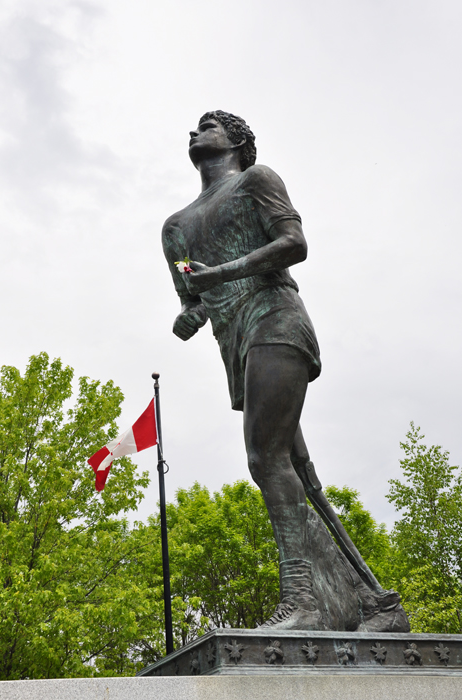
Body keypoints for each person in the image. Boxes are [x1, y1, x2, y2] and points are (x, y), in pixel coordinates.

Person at [162, 111, 382, 630]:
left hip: (276, 318)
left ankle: (301, 601)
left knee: (266, 458)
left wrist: (224, 272)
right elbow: (195, 298)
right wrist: (188, 315)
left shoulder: (257, 181)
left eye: (208, 125)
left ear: (236, 140)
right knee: (298, 472)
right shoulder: (175, 228)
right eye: (194, 128)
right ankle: (376, 602)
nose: (194, 133)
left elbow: (294, 244)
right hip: (235, 339)